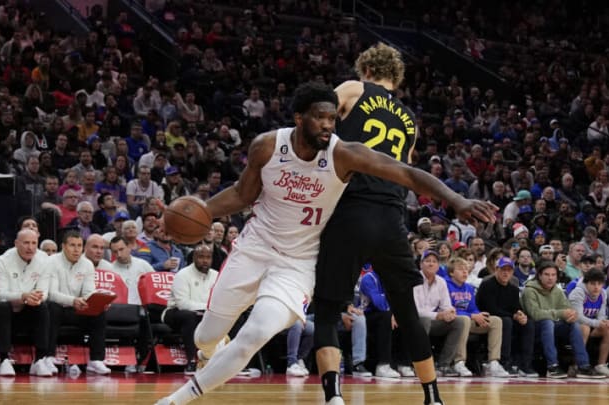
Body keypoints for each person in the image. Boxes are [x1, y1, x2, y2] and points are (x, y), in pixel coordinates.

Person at [155, 83, 496, 405]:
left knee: (256, 332)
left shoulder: (343, 154)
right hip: (254, 248)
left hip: (298, 263)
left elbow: (406, 173)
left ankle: (176, 400)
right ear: (299, 118)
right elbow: (243, 194)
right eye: (320, 117)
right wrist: (197, 214)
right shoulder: (267, 146)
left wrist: (457, 199)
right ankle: (208, 351)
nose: (328, 125)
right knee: (205, 337)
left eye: (333, 118)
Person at [313, 44, 495, 405]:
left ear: (365, 68)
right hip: (392, 216)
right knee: (408, 312)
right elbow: (406, 172)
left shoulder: (353, 88)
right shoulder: (409, 119)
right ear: (395, 77)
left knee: (328, 309)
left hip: (349, 209)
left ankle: (333, 395)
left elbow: (317, 120)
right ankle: (432, 396)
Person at [521, 261, 605, 379]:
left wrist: (572, 315)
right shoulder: (529, 290)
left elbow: (567, 308)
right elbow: (535, 314)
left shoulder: (557, 290)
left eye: (553, 275)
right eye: (547, 274)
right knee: (547, 322)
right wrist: (561, 313)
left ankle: (583, 366)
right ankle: (552, 366)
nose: (550, 278)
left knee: (574, 325)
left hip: (553, 327)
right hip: (534, 328)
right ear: (539, 275)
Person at [0, 229, 53, 377]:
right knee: (4, 307)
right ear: (16, 243)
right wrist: (23, 296)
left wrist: (34, 298)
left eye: (33, 243)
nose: (30, 247)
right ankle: (4, 359)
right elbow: (2, 295)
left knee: (42, 307)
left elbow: (44, 292)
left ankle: (39, 359)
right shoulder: (1, 262)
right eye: (26, 243)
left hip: (27, 309)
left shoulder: (45, 261)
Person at [47, 231, 111, 375]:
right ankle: (48, 357)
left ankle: (96, 360)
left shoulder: (87, 264)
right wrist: (73, 300)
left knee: (99, 311)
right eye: (72, 245)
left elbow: (89, 291)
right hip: (58, 307)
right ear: (63, 246)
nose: (76, 250)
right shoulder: (52, 262)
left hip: (77, 308)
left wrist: (97, 301)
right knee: (52, 308)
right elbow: (51, 293)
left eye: (79, 246)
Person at [445, 257, 509, 377]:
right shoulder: (445, 285)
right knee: (464, 320)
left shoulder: (469, 288)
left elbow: (473, 308)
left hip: (469, 320)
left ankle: (493, 362)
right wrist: (472, 315)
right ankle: (459, 362)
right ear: (451, 273)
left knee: (496, 321)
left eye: (466, 269)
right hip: (452, 322)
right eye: (460, 269)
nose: (465, 272)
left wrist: (479, 316)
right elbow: (448, 309)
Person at [162, 244, 218, 374]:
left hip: (205, 313)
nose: (205, 260)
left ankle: (233, 363)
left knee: (236, 317)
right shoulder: (183, 275)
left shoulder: (216, 275)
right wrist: (207, 309)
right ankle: (192, 361)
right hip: (175, 312)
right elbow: (182, 304)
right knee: (189, 317)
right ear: (194, 258)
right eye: (201, 257)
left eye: (208, 257)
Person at [475, 257, 536, 377]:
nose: (506, 273)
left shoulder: (513, 289)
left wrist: (521, 315)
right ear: (496, 270)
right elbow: (491, 309)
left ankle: (525, 364)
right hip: (487, 320)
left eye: (509, 270)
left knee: (528, 324)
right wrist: (513, 316)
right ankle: (504, 361)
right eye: (503, 269)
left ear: (513, 272)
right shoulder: (487, 285)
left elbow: (516, 307)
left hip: (507, 318)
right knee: (506, 321)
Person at [110, 236, 154, 305]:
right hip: (119, 309)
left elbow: (154, 285)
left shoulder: (143, 265)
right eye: (115, 252)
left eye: (121, 249)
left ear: (129, 247)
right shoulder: (110, 270)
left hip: (142, 308)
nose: (119, 255)